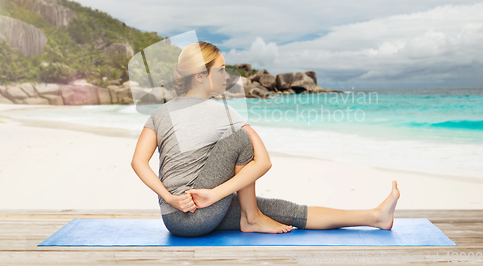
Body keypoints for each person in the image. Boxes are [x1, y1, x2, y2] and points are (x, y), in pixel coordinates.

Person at [131, 41, 400, 237]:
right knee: (241, 139)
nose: (228, 76)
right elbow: (263, 161)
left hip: (175, 220)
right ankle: (251, 218)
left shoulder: (160, 112)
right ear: (200, 76)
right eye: (221, 70)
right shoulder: (223, 112)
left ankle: (375, 216)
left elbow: (138, 162)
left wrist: (172, 198)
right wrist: (214, 195)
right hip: (200, 213)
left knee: (281, 210)